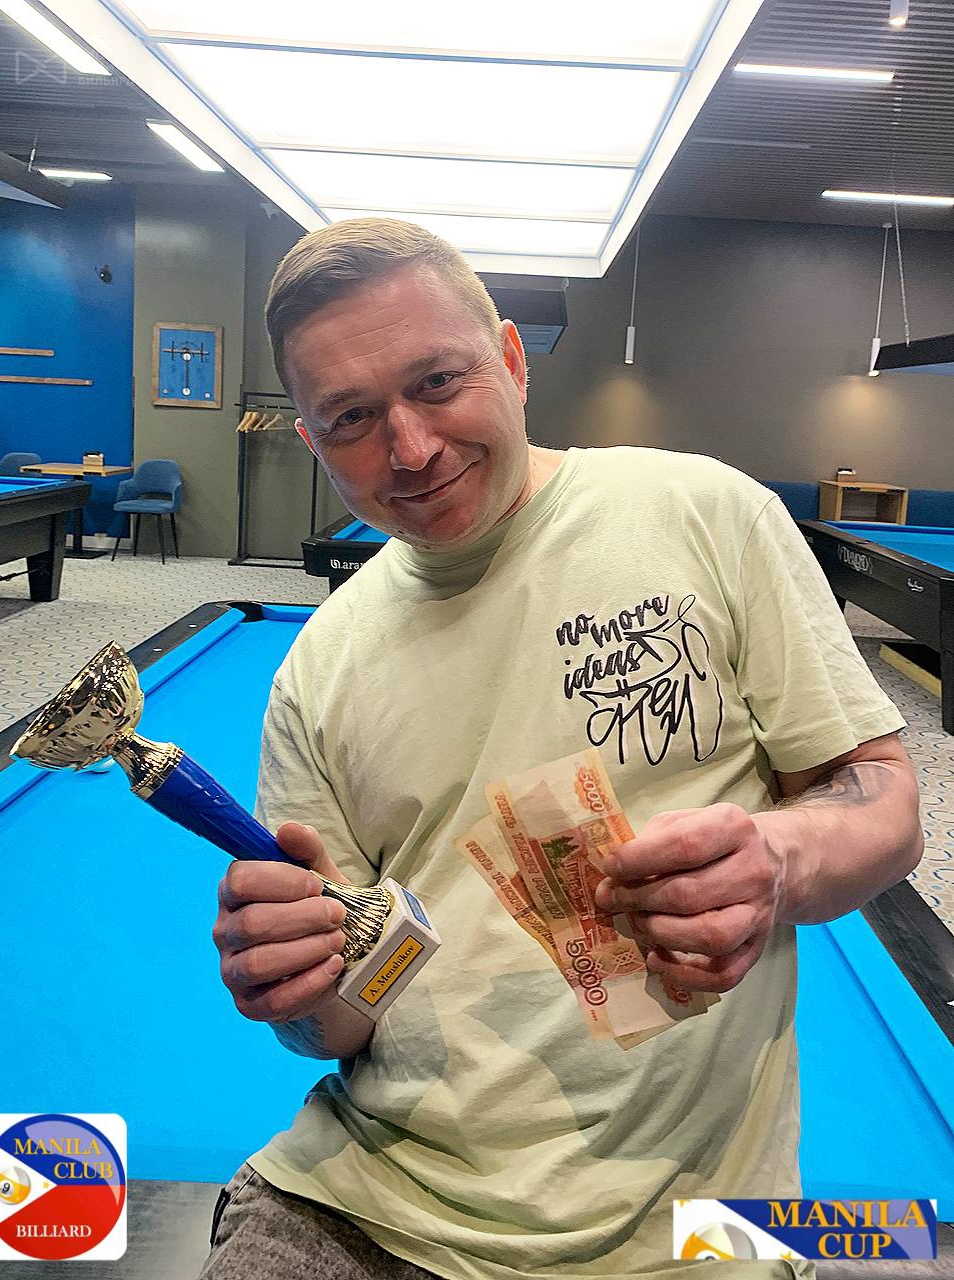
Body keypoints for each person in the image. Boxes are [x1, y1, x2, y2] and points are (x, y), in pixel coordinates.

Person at [202, 219, 922, 1280]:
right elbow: (340, 1023)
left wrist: (777, 860)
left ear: (510, 357)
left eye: (437, 381)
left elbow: (886, 807)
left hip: (698, 1225)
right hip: (364, 1199)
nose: (410, 448)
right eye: (351, 417)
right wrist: (300, 991)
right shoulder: (317, 669)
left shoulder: (706, 512)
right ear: (311, 440)